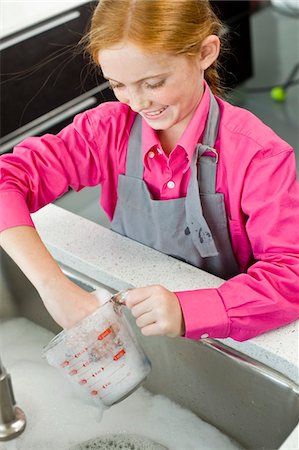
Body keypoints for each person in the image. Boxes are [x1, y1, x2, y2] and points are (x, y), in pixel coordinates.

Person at [0, 0, 298, 342]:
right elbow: (6, 180)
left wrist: (191, 310)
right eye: (118, 84)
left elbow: (290, 273)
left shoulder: (259, 155)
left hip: (222, 332)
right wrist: (52, 285)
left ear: (205, 52)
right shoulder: (106, 130)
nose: (138, 103)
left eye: (154, 83)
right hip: (136, 315)